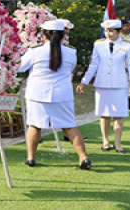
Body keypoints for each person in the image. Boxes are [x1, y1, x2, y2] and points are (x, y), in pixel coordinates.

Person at [18, 19, 91, 170]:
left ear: (43, 35)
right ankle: (83, 157)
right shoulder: (71, 52)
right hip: (61, 94)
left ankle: (31, 157)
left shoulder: (34, 51)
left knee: (34, 125)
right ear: (63, 35)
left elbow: (19, 67)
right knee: (69, 127)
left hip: (37, 93)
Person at [76, 19, 130, 154]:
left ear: (118, 32)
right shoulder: (98, 45)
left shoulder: (127, 45)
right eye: (106, 31)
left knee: (119, 115)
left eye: (111, 31)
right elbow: (94, 64)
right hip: (102, 83)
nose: (108, 34)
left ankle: (118, 143)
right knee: (104, 114)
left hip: (119, 83)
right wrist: (84, 81)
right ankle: (105, 141)